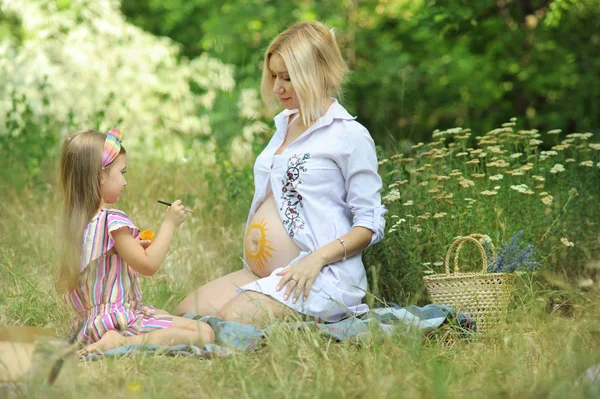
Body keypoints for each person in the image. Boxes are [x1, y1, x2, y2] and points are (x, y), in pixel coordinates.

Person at [176, 20, 386, 325]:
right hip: (264, 272)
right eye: (274, 76)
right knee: (187, 312)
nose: (277, 88)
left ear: (316, 73)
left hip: (317, 275)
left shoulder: (349, 135)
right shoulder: (284, 125)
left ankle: (318, 319)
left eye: (287, 77)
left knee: (232, 319)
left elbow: (369, 223)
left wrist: (317, 259)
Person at [57, 128, 215, 353]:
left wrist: (129, 248)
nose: (125, 181)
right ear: (101, 175)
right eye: (122, 172)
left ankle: (112, 337)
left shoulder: (77, 225)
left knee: (162, 315)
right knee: (204, 333)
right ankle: (121, 342)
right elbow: (149, 265)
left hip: (89, 325)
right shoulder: (112, 220)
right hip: (119, 320)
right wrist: (169, 225)